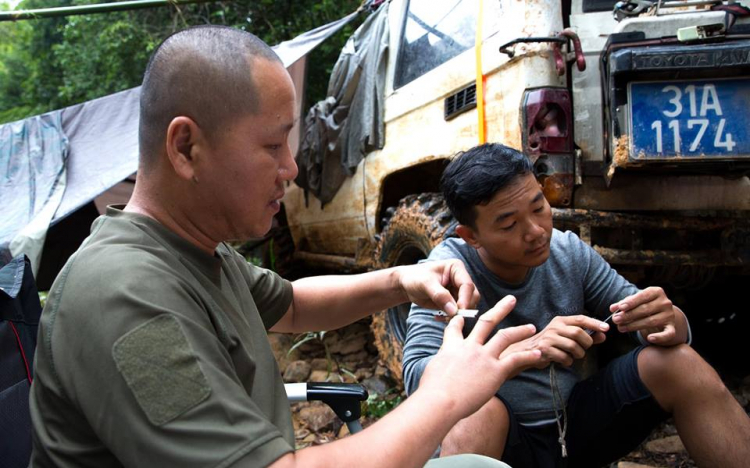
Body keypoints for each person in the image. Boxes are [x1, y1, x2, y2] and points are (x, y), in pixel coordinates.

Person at [28, 27, 545, 468]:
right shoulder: (123, 296)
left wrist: (400, 281)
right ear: (187, 147)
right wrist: (444, 393)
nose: (292, 169)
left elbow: (293, 304)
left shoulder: (196, 250)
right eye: (273, 145)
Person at [403, 143, 750, 468]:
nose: (536, 231)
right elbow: (417, 377)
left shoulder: (568, 252)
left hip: (574, 428)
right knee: (474, 411)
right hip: (499, 445)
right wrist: (520, 353)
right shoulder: (446, 273)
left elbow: (642, 315)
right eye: (509, 224)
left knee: (679, 362)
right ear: (471, 236)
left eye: (539, 208)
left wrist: (668, 320)